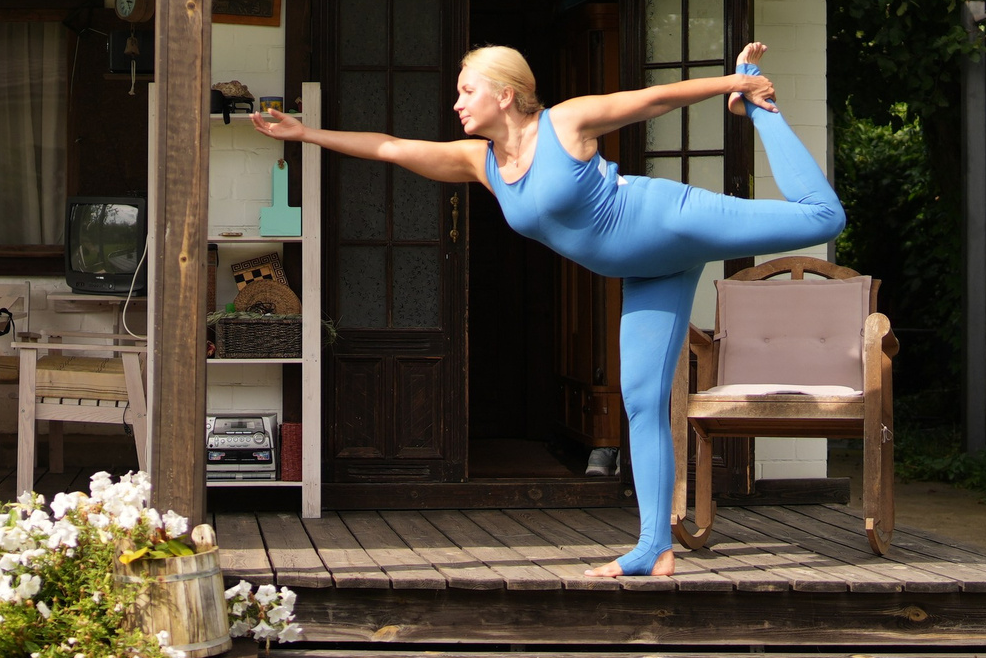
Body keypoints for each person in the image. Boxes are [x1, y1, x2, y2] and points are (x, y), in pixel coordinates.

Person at [249, 42, 844, 577]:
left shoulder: (565, 122)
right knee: (641, 400)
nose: (456, 103)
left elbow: (652, 99)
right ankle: (652, 546)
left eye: (466, 90)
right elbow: (391, 148)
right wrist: (308, 136)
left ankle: (761, 104)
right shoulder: (481, 164)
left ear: (505, 94)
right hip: (644, 272)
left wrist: (733, 85)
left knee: (823, 218)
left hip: (669, 219)